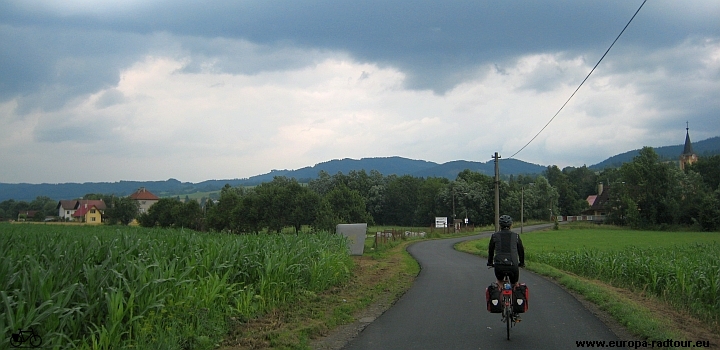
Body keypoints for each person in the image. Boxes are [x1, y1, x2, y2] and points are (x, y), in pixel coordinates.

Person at [487, 215, 525, 288]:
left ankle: (497, 297)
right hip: (513, 265)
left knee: (499, 282)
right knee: (515, 284)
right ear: (511, 225)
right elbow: (521, 251)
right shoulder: (515, 236)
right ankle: (516, 296)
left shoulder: (495, 236)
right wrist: (522, 263)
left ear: (500, 225)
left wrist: (490, 262)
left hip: (499, 265)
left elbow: (491, 251)